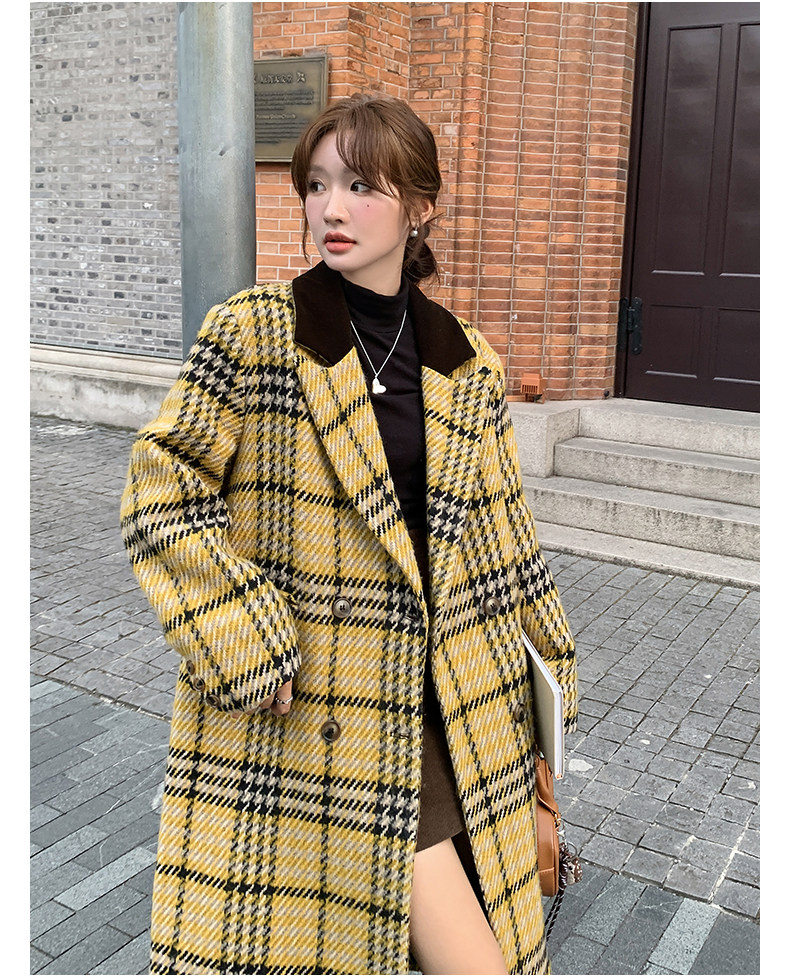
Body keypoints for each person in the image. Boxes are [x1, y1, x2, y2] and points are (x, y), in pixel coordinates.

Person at [120, 92, 577, 976]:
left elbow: (505, 536)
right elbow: (160, 489)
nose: (332, 208)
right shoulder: (256, 334)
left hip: (456, 700)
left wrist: (546, 690)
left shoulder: (465, 359)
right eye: (318, 184)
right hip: (317, 711)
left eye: (362, 186)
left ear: (420, 206)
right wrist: (239, 629)